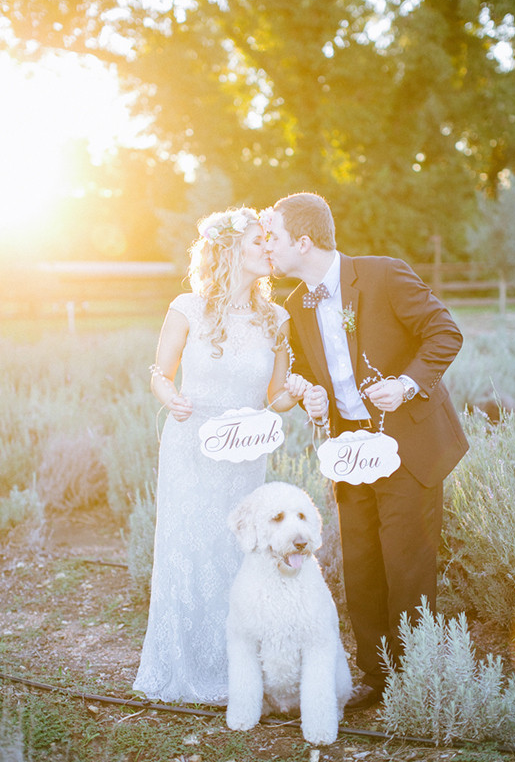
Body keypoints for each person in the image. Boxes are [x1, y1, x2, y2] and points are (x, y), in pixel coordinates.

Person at [265, 192, 469, 711]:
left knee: (407, 566)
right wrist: (311, 395)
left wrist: (405, 385)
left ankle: (417, 678)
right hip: (347, 451)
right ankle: (377, 679)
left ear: (304, 242)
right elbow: (313, 372)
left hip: (407, 447)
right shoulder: (295, 304)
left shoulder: (382, 275)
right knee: (360, 564)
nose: (268, 247)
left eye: (275, 238)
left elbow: (445, 332)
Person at [134, 207, 309, 705]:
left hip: (245, 453)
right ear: (231, 249)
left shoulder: (277, 318)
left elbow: (274, 398)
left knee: (240, 553)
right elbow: (159, 373)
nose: (268, 249)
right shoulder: (186, 307)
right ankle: (185, 666)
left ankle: (240, 670)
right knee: (188, 551)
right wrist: (170, 397)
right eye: (259, 241)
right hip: (190, 446)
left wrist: (293, 392)